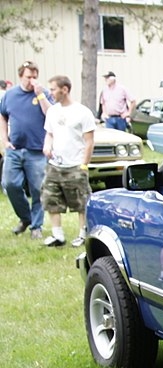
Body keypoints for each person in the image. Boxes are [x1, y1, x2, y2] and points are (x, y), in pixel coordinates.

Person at [40, 74, 94, 247]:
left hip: (75, 165)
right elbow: (49, 134)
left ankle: (83, 235)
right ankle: (58, 236)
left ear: (65, 89)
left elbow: (89, 141)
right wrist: (47, 146)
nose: (51, 93)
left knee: (81, 202)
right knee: (51, 199)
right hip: (55, 166)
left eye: (53, 89)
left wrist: (84, 165)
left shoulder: (82, 112)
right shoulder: (52, 111)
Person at [0, 60, 51, 238]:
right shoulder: (10, 95)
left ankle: (36, 226)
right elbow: (3, 117)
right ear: (20, 76)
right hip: (14, 148)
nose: (32, 80)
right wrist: (4, 140)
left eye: (35, 77)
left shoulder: (42, 93)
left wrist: (41, 95)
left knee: (38, 189)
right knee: (10, 184)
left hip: (36, 150)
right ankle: (25, 217)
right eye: (29, 77)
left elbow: (51, 115)